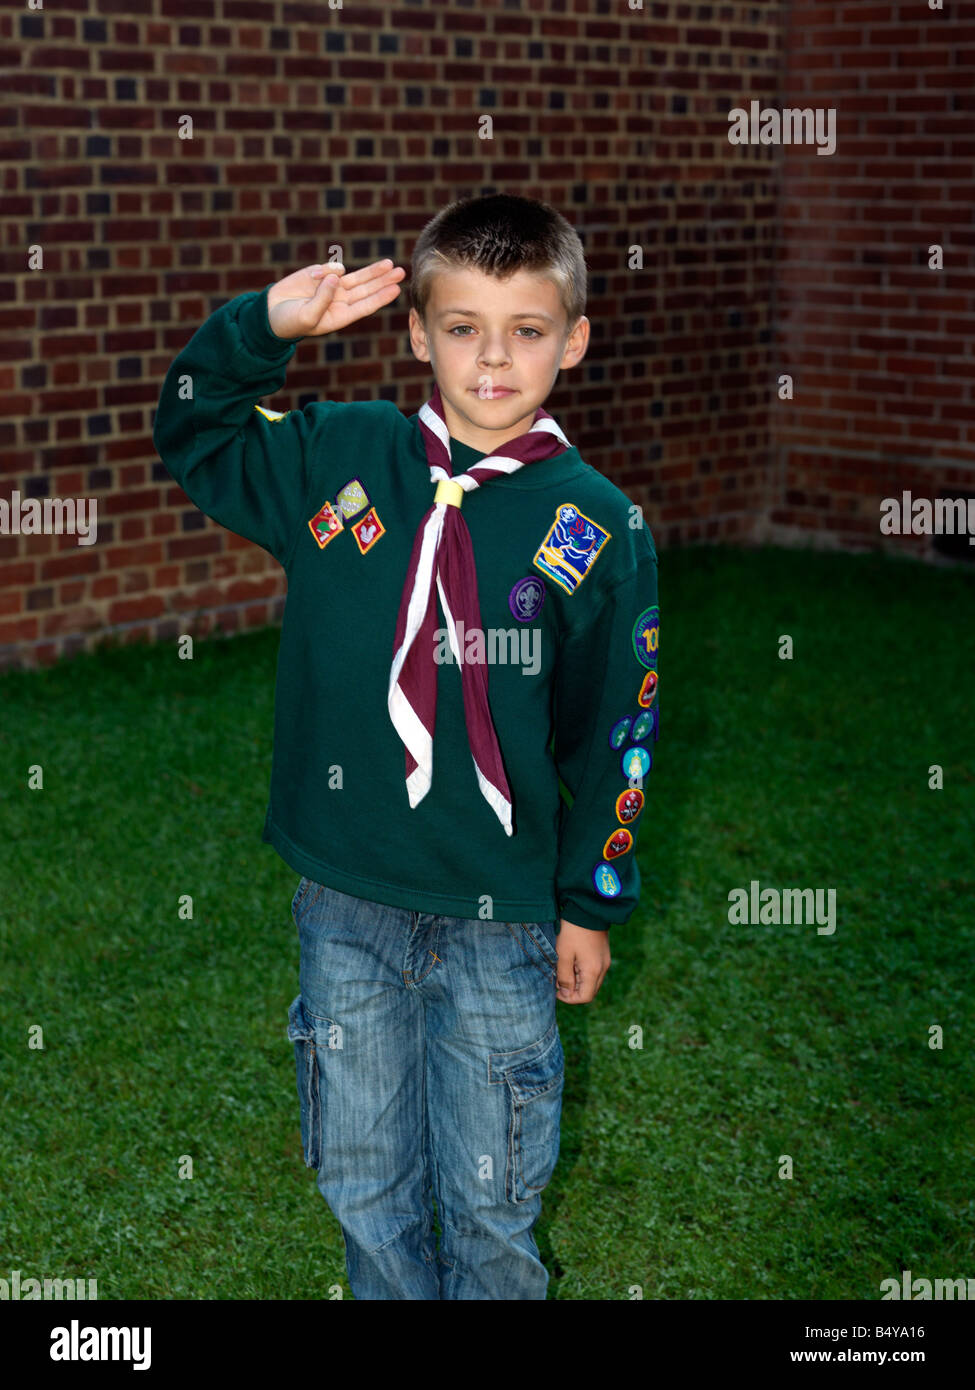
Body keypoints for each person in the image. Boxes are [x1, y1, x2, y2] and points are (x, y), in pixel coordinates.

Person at [152, 193, 660, 1300]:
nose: (494, 355)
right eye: (464, 325)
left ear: (572, 340)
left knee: (491, 1201)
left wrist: (590, 901)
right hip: (348, 901)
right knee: (363, 1179)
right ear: (418, 332)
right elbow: (191, 428)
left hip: (501, 918)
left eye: (527, 328)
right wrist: (262, 332)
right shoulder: (340, 455)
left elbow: (617, 726)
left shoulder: (598, 528)